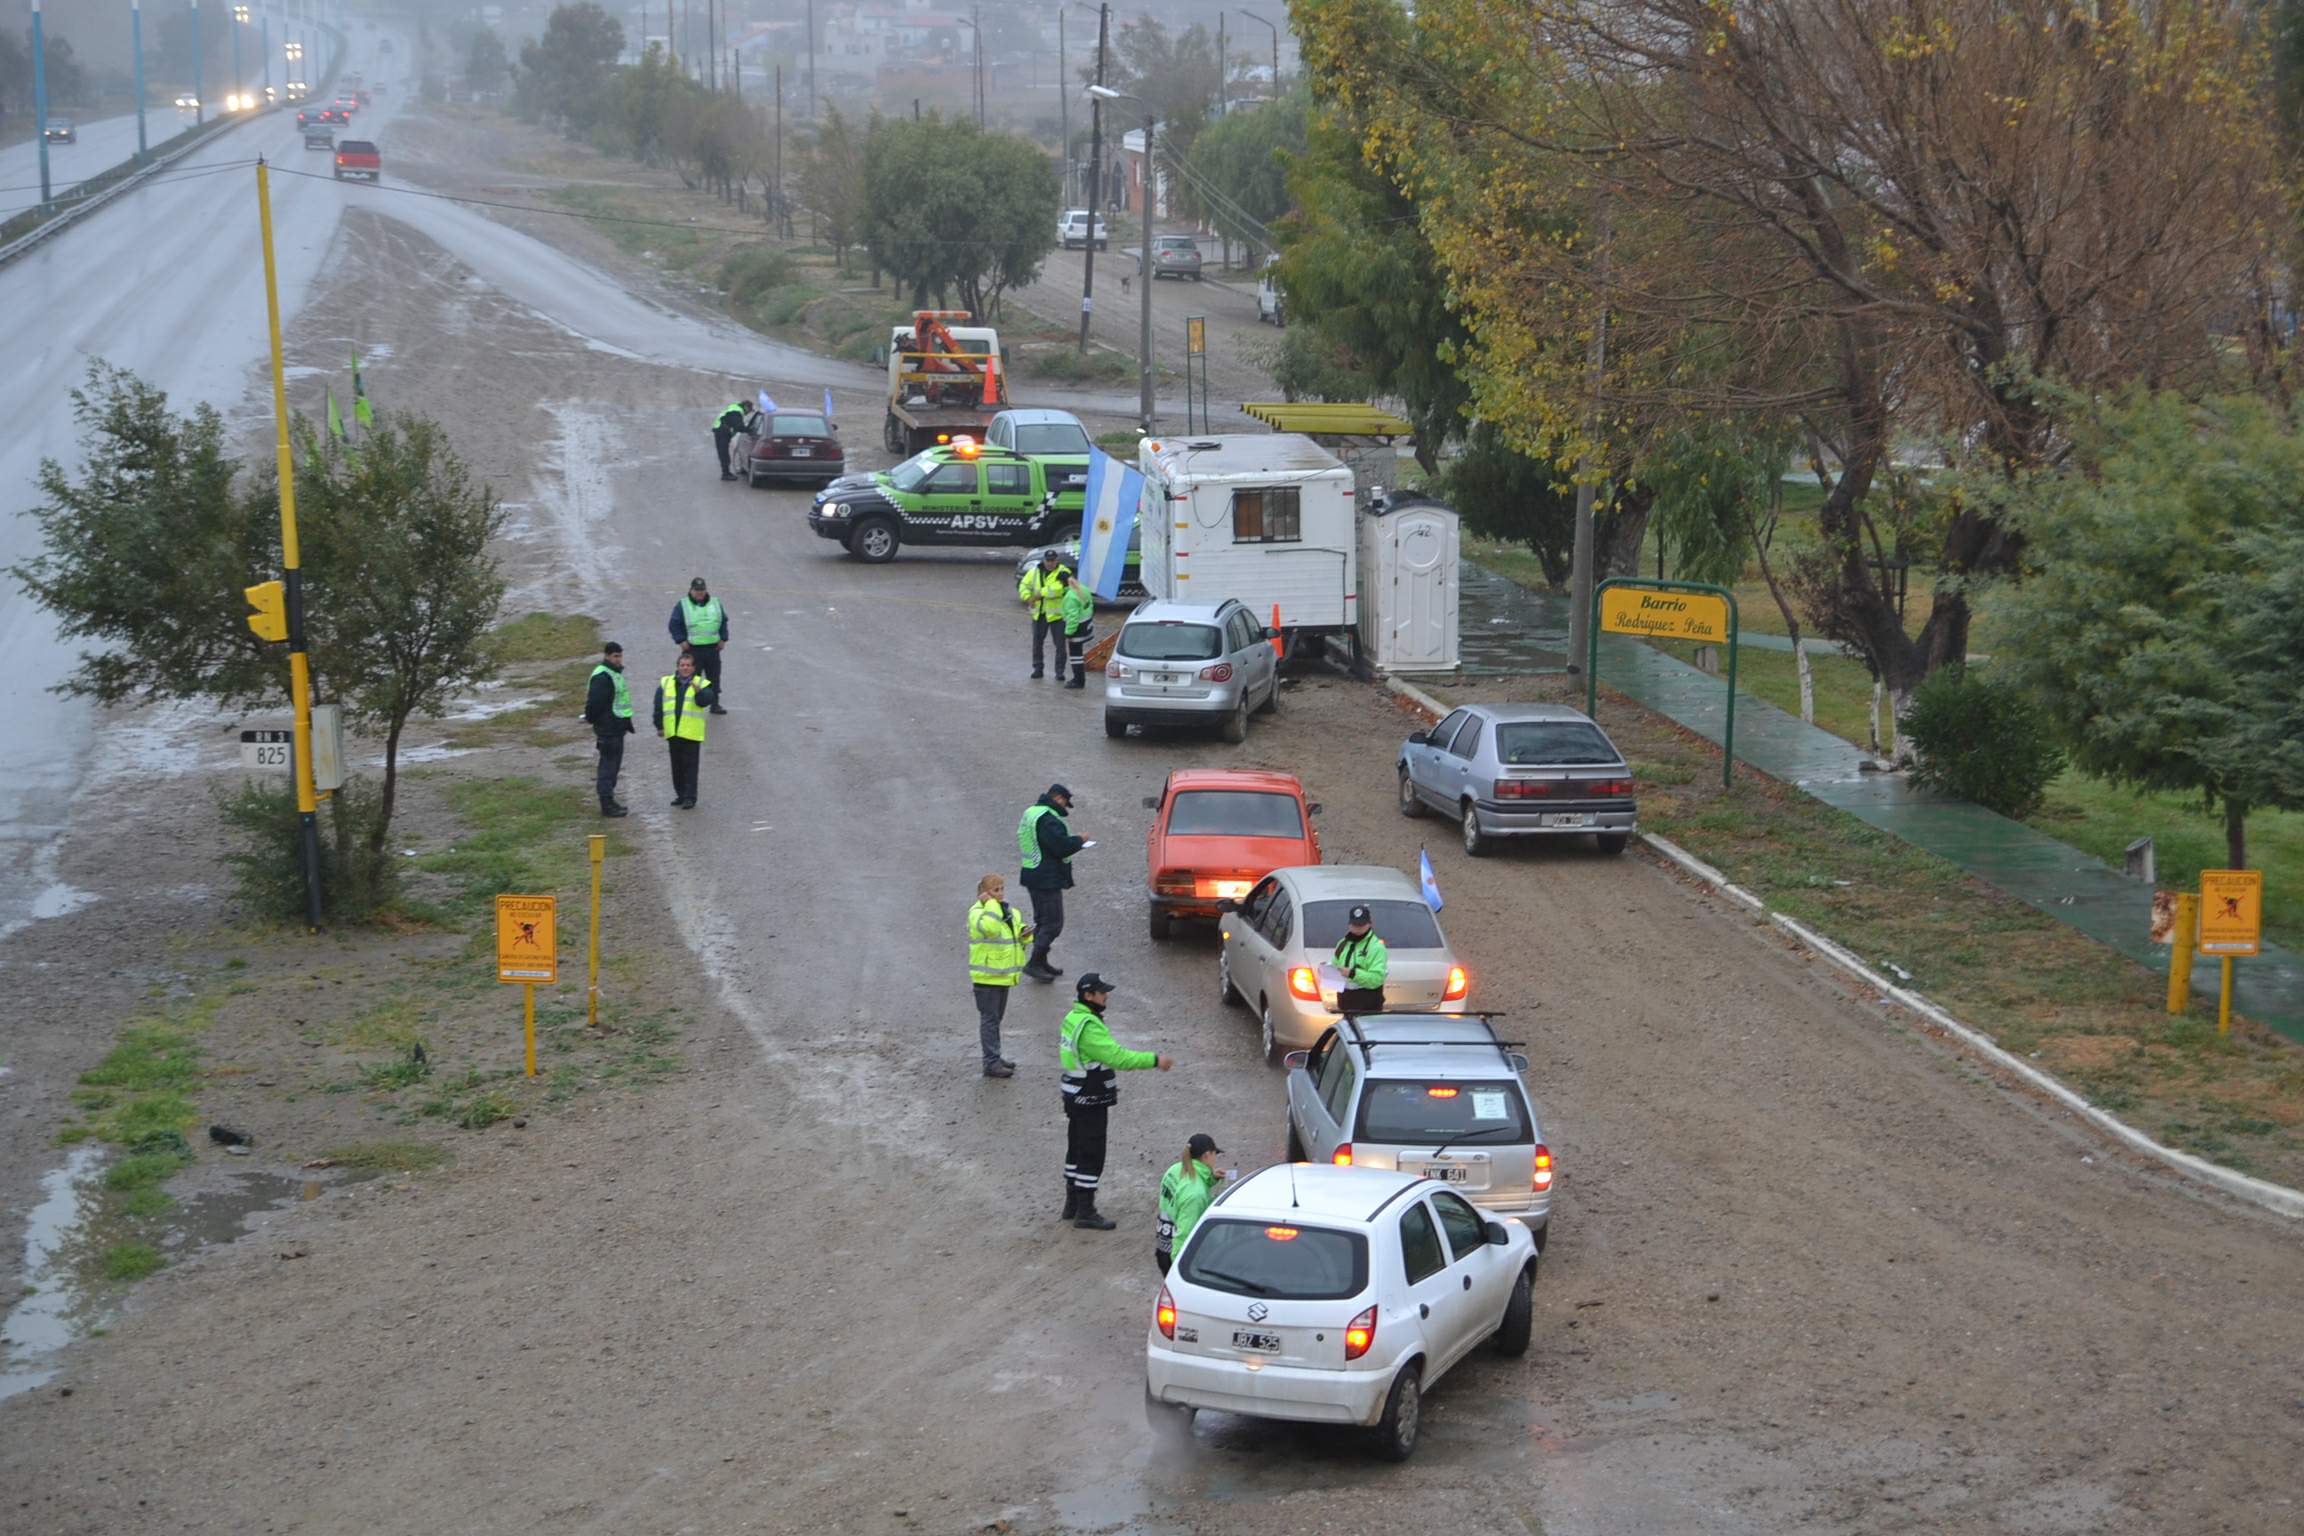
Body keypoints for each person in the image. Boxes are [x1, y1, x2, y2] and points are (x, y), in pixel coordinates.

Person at [1058, 973, 1174, 1230]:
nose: (1106, 995)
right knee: (1092, 1152)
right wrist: (1155, 1060)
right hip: (1089, 1097)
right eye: (1101, 992)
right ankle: (1085, 1211)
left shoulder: (1073, 1018)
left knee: (1075, 1147)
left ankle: (1072, 1204)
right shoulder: (1088, 1026)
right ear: (1089, 996)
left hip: (1074, 1094)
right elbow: (1118, 1058)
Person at [1017, 783, 1090, 981]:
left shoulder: (1032, 813)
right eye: (1065, 803)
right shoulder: (1048, 819)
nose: (1065, 808)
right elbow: (1060, 847)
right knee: (1053, 923)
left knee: (1042, 921)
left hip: (1032, 872)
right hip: (1046, 878)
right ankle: (1034, 962)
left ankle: (1041, 961)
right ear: (1058, 798)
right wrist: (1079, 840)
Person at [967, 873, 1031, 1079]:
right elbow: (992, 930)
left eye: (1002, 889)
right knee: (990, 1020)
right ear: (983, 894)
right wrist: (991, 905)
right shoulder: (977, 913)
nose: (1001, 894)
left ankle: (994, 1057)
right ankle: (991, 1062)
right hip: (986, 978)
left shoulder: (1008, 911)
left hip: (1002, 976)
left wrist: (1025, 933)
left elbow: (1013, 934)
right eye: (996, 890)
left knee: (996, 1019)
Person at [653, 651, 718, 809]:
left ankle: (690, 797)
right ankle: (680, 795)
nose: (685, 668)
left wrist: (698, 691)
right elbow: (658, 705)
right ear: (677, 667)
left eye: (688, 665)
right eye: (682, 665)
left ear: (694, 668)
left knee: (690, 767)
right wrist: (659, 725)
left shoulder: (701, 684)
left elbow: (705, 701)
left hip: (690, 733)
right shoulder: (666, 682)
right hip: (673, 732)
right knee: (676, 767)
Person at [1155, 1133, 1224, 1275]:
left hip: (1163, 1246)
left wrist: (1211, 1178)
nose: (1215, 1158)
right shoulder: (1196, 1195)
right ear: (1206, 1155)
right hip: (1176, 1255)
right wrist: (1179, 1271)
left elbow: (1184, 1189)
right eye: (1214, 1154)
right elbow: (1184, 1234)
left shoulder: (1174, 1170)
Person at [582, 640, 634, 818]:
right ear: (606, 656)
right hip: (608, 728)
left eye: (620, 656)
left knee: (612, 766)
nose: (618, 660)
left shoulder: (612, 673)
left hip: (616, 727)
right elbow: (594, 704)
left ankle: (609, 801)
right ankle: (607, 803)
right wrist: (596, 721)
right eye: (615, 656)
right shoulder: (603, 677)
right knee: (608, 768)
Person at [668, 577, 730, 713]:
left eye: (702, 590)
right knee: (689, 677)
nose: (699, 593)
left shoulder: (715, 602)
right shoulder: (683, 605)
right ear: (691, 590)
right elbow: (674, 624)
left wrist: (723, 639)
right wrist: (680, 640)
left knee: (714, 677)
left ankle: (715, 704)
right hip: (692, 649)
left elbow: (723, 621)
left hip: (713, 648)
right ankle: (685, 704)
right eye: (697, 590)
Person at [1018, 547, 1073, 681]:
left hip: (1057, 616)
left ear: (1056, 560)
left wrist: (1038, 594)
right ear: (1044, 560)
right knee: (1037, 643)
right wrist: (1027, 597)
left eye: (1052, 560)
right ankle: (1038, 668)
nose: (1050, 563)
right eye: (1048, 560)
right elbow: (1023, 585)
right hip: (1039, 614)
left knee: (1060, 645)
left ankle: (1059, 672)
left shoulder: (1064, 573)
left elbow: (1058, 590)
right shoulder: (1035, 572)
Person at [1334, 903, 1389, 1014]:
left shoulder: (1376, 947)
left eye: (1362, 925)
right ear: (1349, 924)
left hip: (1368, 1006)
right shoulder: (1342, 944)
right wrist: (1326, 970)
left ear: (1369, 924)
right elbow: (1335, 966)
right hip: (1346, 1004)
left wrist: (1352, 973)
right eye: (1355, 924)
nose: (1358, 928)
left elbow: (1377, 979)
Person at [1059, 572, 1095, 690]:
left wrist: (1068, 633)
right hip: (1086, 626)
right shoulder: (1082, 588)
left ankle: (1078, 681)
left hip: (1077, 631)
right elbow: (1090, 606)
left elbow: (1073, 617)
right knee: (1078, 655)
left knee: (1076, 657)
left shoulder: (1070, 596)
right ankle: (1079, 679)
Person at [712, 397, 757, 480]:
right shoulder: (736, 412)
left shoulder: (735, 409)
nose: (749, 413)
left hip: (721, 431)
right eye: (749, 410)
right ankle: (725, 474)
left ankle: (726, 473)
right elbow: (739, 426)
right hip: (722, 432)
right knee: (724, 453)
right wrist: (750, 430)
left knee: (723, 452)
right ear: (746, 407)